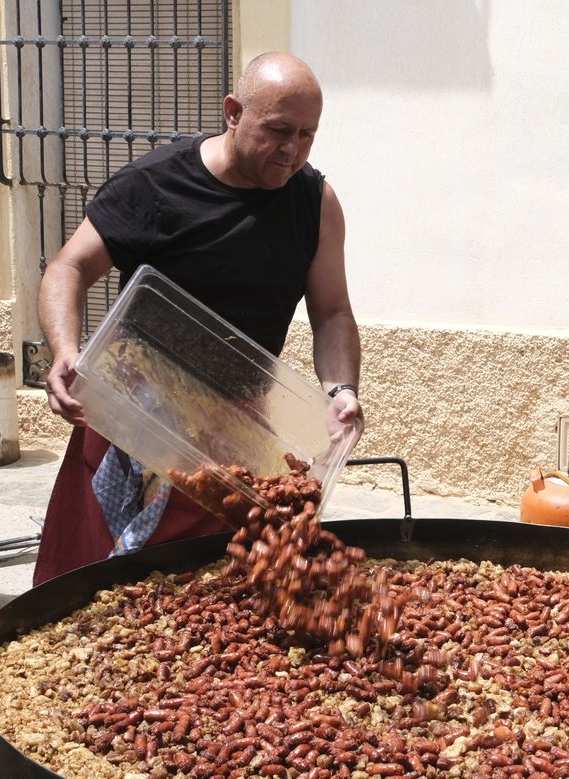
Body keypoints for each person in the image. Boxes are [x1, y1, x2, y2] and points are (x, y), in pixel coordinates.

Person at [33, 52, 363, 586]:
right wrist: (65, 350)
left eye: (307, 135)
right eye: (278, 130)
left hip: (234, 431)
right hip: (129, 414)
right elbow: (68, 268)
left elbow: (331, 312)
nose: (292, 151)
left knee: (205, 593)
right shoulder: (153, 187)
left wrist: (341, 389)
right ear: (233, 111)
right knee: (85, 591)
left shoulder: (315, 201)